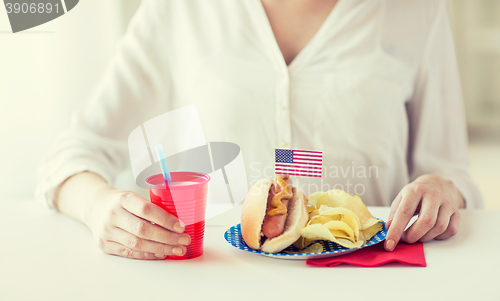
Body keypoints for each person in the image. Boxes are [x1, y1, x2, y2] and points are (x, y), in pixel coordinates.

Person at [36, 0, 483, 260]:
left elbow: (452, 175)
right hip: (219, 293)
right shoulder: (179, 9)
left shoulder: (417, 10)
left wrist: (440, 190)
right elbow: (72, 155)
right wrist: (99, 207)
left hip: (371, 292)